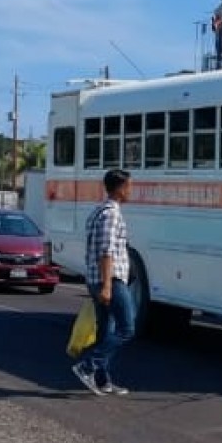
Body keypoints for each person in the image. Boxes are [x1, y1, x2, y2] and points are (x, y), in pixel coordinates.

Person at [72, 169, 135, 396]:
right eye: (129, 186)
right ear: (119, 189)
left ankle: (102, 381)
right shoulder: (111, 214)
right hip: (109, 279)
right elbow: (106, 251)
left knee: (105, 329)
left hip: (98, 278)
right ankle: (88, 365)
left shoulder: (98, 211)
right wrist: (107, 285)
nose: (131, 191)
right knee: (126, 328)